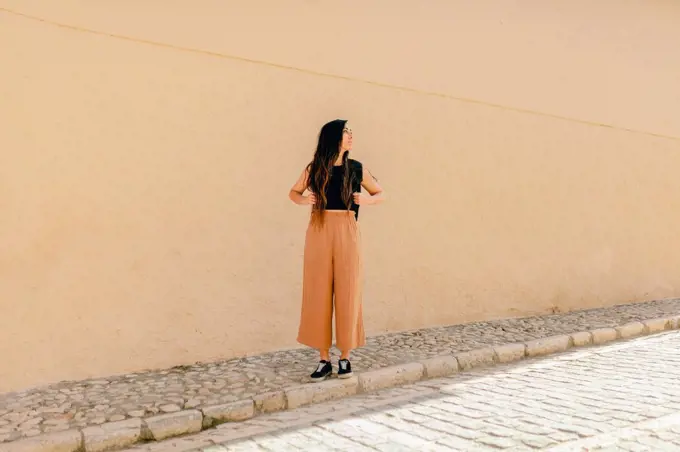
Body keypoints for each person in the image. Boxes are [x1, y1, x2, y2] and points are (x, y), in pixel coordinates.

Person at [289, 119, 384, 381]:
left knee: (348, 290)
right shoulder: (315, 168)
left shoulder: (356, 169)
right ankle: (323, 359)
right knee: (318, 291)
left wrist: (366, 200)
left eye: (352, 132)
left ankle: (345, 357)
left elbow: (380, 193)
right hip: (319, 227)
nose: (351, 136)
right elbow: (293, 192)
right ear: (334, 137)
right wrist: (303, 199)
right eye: (346, 132)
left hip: (347, 228)